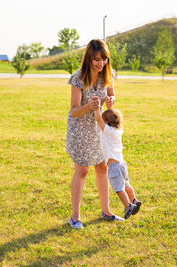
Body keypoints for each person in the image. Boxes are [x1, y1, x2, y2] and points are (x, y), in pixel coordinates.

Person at [66, 39, 123, 229]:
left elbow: (112, 94)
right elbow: (74, 110)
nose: (100, 64)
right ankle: (75, 217)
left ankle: (106, 211)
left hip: (99, 127)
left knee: (102, 168)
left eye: (104, 59)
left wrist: (111, 100)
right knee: (82, 170)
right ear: (89, 59)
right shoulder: (78, 78)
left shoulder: (107, 75)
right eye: (96, 60)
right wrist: (88, 106)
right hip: (80, 129)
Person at [93, 106, 142, 219]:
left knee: (118, 188)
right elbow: (107, 119)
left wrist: (96, 110)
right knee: (126, 185)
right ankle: (134, 199)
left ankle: (128, 206)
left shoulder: (108, 131)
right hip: (122, 164)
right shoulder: (118, 130)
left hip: (114, 166)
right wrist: (110, 108)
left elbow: (99, 120)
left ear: (106, 122)